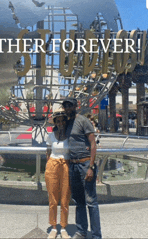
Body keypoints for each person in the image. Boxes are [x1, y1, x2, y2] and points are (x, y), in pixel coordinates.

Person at [62, 98, 102, 239]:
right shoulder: (66, 122)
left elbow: (92, 144)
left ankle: (97, 235)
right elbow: (51, 120)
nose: (67, 108)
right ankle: (81, 231)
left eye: (70, 105)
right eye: (65, 106)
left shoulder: (83, 121)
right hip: (73, 165)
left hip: (85, 164)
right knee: (78, 201)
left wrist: (91, 166)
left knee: (91, 201)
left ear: (76, 106)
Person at [45, 108, 71, 239]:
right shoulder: (50, 136)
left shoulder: (70, 136)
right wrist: (48, 167)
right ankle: (54, 227)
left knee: (65, 198)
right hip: (52, 165)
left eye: (62, 120)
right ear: (55, 122)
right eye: (58, 121)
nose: (60, 123)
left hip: (66, 165)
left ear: (66, 122)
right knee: (53, 198)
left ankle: (64, 227)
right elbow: (48, 153)